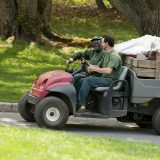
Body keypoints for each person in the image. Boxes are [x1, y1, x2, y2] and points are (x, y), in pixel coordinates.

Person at [76, 34, 122, 111]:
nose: (101, 44)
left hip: (110, 80)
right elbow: (98, 67)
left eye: (102, 42)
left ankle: (78, 104)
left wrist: (95, 69)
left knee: (87, 80)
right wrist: (87, 64)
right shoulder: (106, 54)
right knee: (81, 80)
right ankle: (74, 100)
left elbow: (108, 71)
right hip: (104, 78)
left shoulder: (114, 56)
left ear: (107, 43)